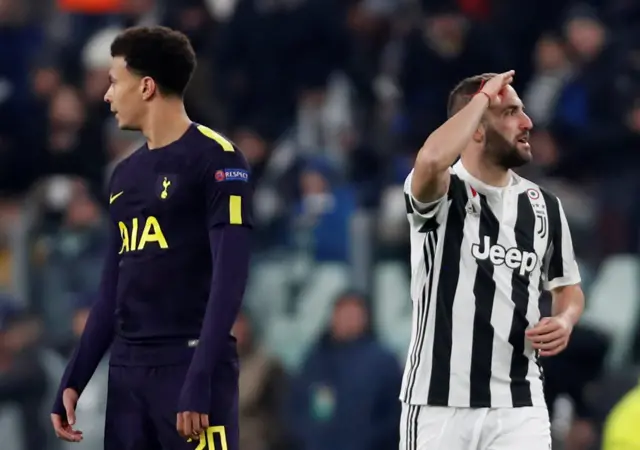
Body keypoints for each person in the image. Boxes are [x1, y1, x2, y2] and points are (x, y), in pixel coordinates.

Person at [50, 26, 253, 450]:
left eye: (113, 81)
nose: (107, 96)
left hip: (189, 366)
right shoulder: (124, 175)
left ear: (145, 86)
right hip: (128, 372)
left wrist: (200, 378)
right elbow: (112, 289)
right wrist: (76, 377)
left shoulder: (218, 160)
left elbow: (229, 281)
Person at [399, 71, 585, 450]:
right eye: (511, 112)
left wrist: (564, 320)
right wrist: (483, 97)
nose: (527, 122)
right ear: (476, 130)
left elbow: (568, 287)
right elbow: (432, 157)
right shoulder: (444, 189)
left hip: (519, 404)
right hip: (439, 402)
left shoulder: (544, 206)